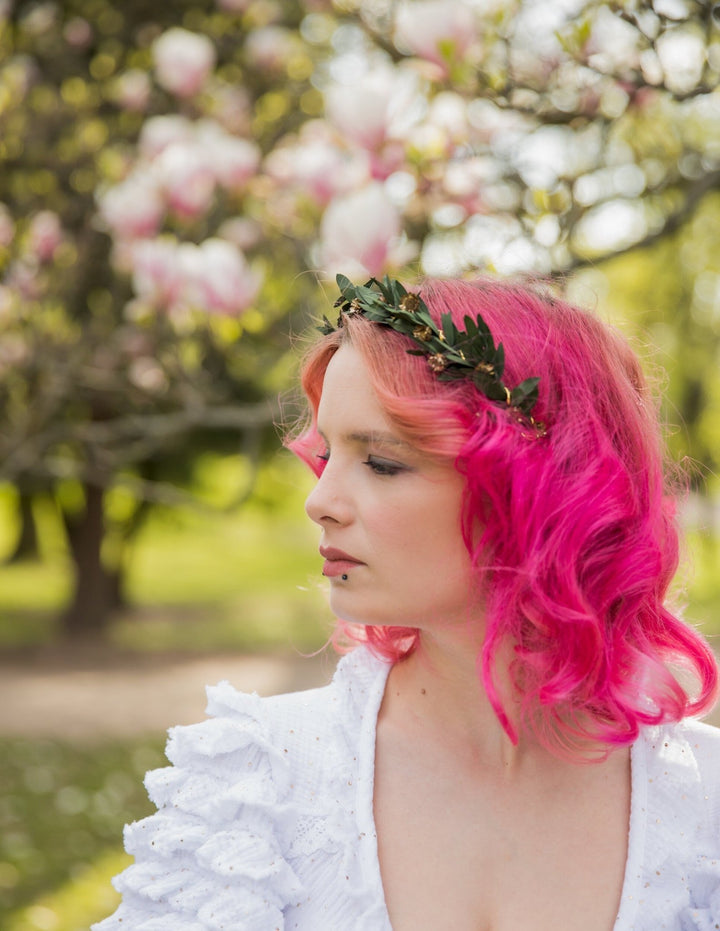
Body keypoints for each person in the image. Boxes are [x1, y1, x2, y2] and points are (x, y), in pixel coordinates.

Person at [93, 274, 720, 931]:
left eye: (382, 462)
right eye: (328, 453)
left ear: (537, 489)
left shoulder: (701, 805)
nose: (320, 502)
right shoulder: (261, 784)